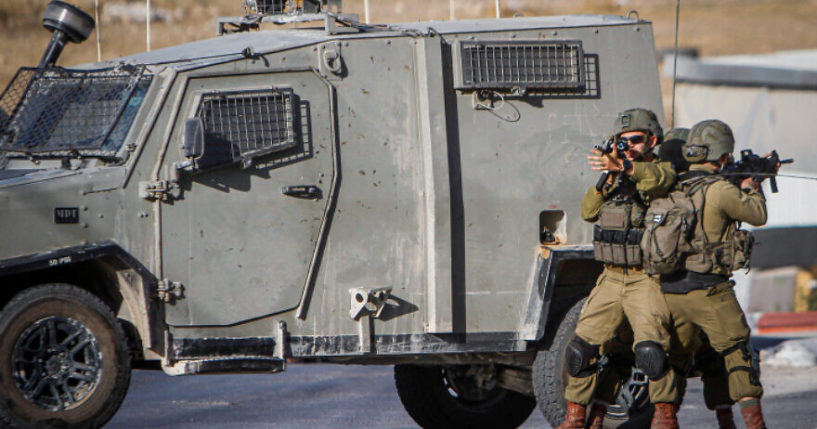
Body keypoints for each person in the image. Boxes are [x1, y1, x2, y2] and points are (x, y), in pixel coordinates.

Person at [589, 127, 739, 429]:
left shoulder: (676, 185)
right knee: (691, 357)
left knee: (662, 356)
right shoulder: (677, 185)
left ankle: (664, 417)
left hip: (671, 283)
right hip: (675, 284)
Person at [557, 108, 679, 429]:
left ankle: (665, 417)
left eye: (636, 140)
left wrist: (625, 165)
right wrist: (608, 176)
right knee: (581, 350)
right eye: (622, 141)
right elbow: (588, 211)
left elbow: (659, 181)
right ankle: (576, 418)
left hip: (645, 279)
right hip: (611, 277)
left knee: (652, 353)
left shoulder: (660, 170)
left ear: (652, 140)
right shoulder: (616, 175)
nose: (629, 145)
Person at [659, 119, 771, 429]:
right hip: (710, 291)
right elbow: (757, 216)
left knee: (672, 364)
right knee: (738, 356)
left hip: (672, 291)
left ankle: (663, 421)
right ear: (723, 156)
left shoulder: (674, 185)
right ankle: (749, 424)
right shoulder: (721, 189)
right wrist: (752, 189)